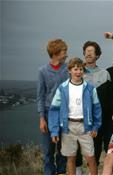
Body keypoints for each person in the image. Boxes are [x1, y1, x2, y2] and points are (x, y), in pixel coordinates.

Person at [48, 57, 102, 175]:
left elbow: (97, 108)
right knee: (70, 158)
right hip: (68, 127)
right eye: (75, 69)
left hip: (86, 127)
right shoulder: (62, 88)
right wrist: (54, 130)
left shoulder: (89, 88)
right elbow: (54, 109)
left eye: (81, 69)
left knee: (91, 158)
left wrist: (95, 126)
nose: (78, 72)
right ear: (69, 70)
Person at [75, 41, 111, 175]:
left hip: (97, 118)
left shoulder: (104, 74)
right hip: (79, 116)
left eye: (92, 51)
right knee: (77, 146)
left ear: (97, 55)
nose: (88, 53)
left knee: (95, 147)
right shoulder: (77, 72)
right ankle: (78, 171)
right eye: (87, 51)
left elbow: (107, 98)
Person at [37, 38, 68, 175]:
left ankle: (61, 172)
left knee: (63, 150)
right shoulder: (42, 71)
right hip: (49, 114)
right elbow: (40, 96)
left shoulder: (68, 69)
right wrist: (42, 118)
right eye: (64, 51)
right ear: (55, 53)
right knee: (48, 151)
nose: (66, 54)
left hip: (65, 114)